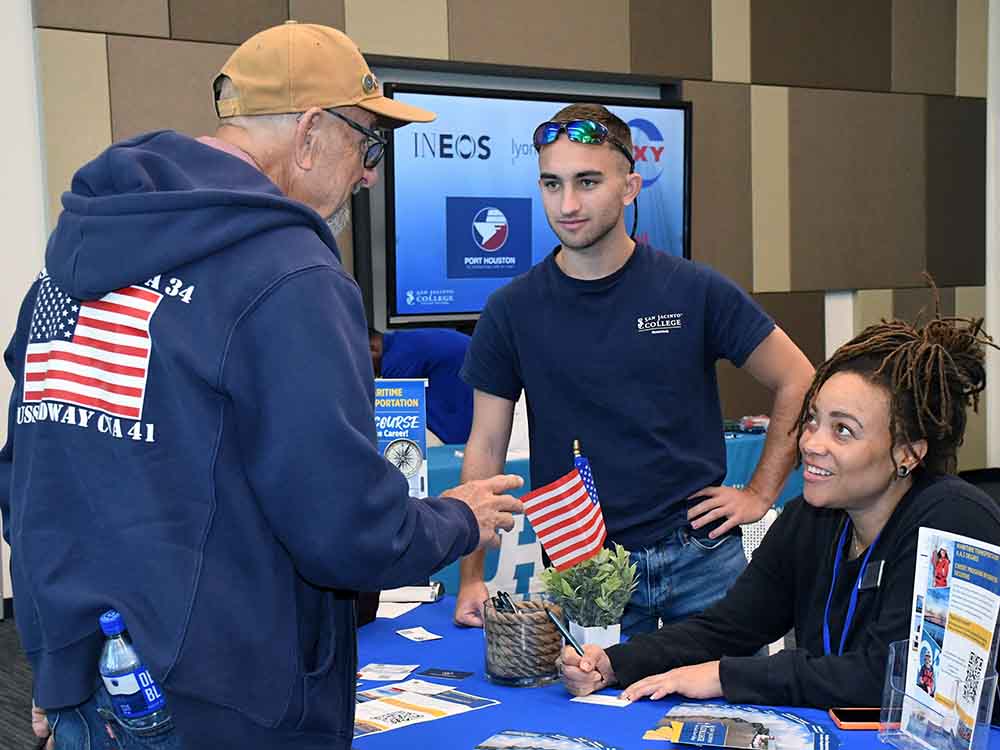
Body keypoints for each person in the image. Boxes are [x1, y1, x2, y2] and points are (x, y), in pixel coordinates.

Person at [0, 22, 523, 750]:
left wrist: (56, 671)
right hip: (225, 704)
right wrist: (457, 518)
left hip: (90, 684)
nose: (370, 173)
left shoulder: (68, 268)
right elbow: (344, 529)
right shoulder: (289, 278)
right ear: (311, 133)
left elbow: (31, 485)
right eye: (367, 144)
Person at [454, 103, 815, 632]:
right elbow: (484, 447)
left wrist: (760, 493)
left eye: (588, 181)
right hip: (585, 569)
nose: (568, 203)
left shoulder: (693, 289)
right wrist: (470, 576)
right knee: (589, 716)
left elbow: (799, 378)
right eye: (552, 184)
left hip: (702, 561)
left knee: (735, 716)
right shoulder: (512, 310)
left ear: (629, 187)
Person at [560, 313, 1000, 710]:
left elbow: (898, 678)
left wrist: (723, 676)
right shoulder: (808, 519)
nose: (811, 443)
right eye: (813, 420)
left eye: (843, 431)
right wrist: (614, 663)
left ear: (908, 453)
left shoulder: (957, 523)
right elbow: (728, 627)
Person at [369, 327, 474, 444]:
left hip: (466, 377)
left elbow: (394, 418)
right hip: (471, 370)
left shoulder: (396, 360)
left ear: (373, 348)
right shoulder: (401, 343)